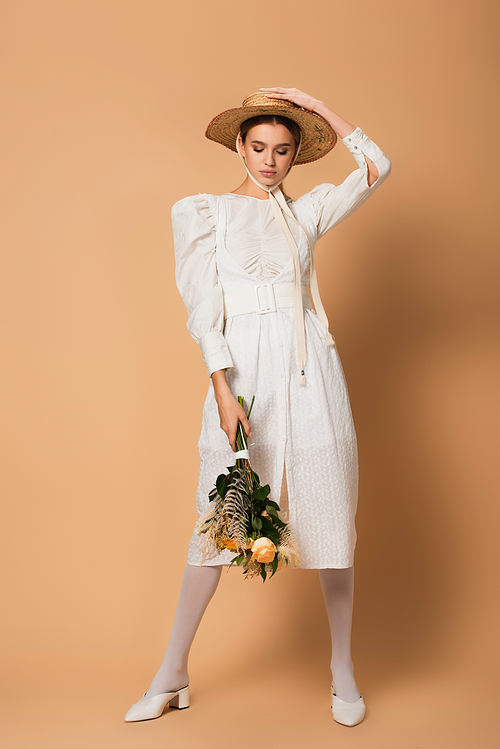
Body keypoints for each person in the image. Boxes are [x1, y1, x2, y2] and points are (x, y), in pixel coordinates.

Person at [124, 87, 392, 727]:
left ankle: (342, 672)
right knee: (222, 517)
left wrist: (309, 101)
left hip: (312, 372)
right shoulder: (206, 213)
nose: (269, 160)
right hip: (244, 372)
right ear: (240, 147)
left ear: (297, 156)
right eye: (259, 146)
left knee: (330, 513)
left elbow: (378, 165)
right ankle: (172, 672)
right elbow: (202, 309)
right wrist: (222, 387)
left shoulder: (309, 213)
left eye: (283, 149)